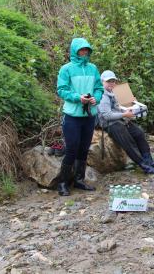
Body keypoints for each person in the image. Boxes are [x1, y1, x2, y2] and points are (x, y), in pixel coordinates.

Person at [56, 38, 104, 196]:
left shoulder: (93, 68)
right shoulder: (66, 69)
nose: (84, 52)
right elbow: (61, 90)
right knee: (71, 149)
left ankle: (79, 180)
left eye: (86, 50)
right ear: (74, 51)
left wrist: (96, 97)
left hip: (89, 115)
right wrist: (78, 97)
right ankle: (62, 183)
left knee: (84, 149)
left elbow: (99, 87)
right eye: (81, 50)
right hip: (72, 115)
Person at [97, 70, 154, 174]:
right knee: (128, 141)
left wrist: (130, 107)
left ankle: (149, 160)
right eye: (108, 81)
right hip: (109, 124)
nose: (111, 83)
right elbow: (107, 115)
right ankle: (144, 166)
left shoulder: (111, 92)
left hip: (119, 119)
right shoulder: (102, 95)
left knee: (139, 133)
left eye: (113, 81)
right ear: (102, 82)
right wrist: (124, 115)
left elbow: (117, 107)